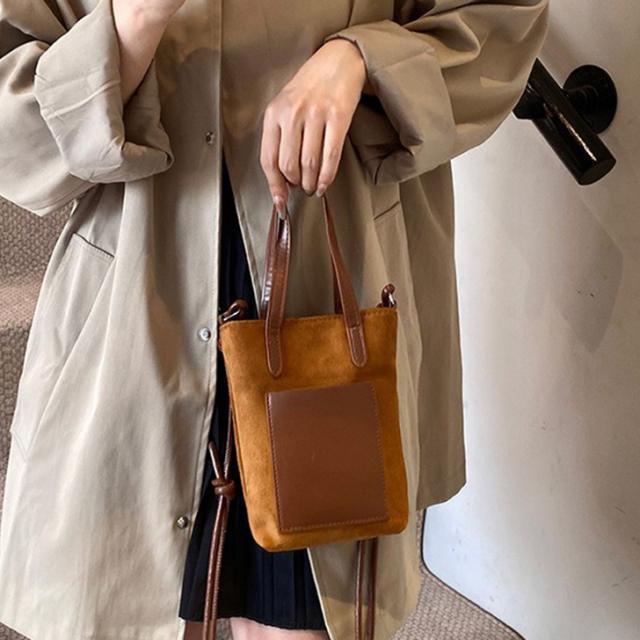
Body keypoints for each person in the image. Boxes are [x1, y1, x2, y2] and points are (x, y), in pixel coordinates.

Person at [0, 1, 550, 639]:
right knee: (131, 596)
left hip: (324, 287)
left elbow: (498, 23)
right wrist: (133, 23)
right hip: (136, 301)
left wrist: (362, 61)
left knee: (304, 604)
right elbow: (16, 126)